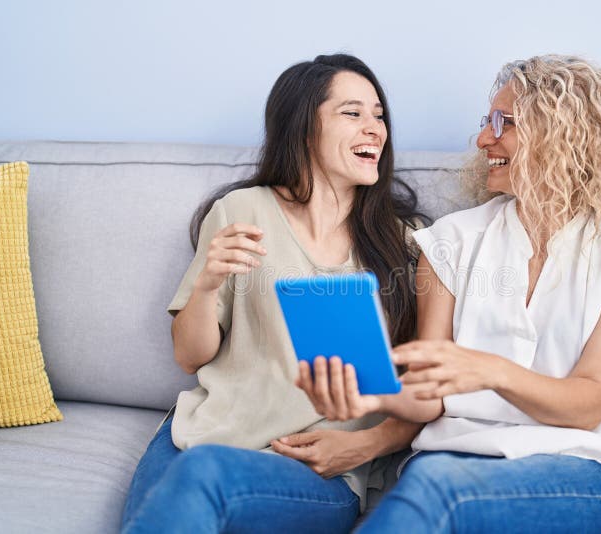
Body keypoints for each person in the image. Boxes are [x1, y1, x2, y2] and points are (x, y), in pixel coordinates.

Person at [297, 55, 601, 533]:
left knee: (435, 494)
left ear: (561, 135)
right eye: (487, 122)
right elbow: (428, 399)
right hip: (446, 460)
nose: (483, 139)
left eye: (504, 123)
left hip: (573, 468)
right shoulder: (450, 240)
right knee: (431, 484)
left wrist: (489, 370)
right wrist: (370, 393)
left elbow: (589, 404)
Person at [120, 54, 427, 534]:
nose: (375, 129)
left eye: (379, 115)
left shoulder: (406, 242)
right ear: (305, 128)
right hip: (203, 438)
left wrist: (365, 446)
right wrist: (206, 285)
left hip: (315, 468)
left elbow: (429, 388)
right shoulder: (241, 211)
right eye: (352, 113)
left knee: (201, 479)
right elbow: (188, 356)